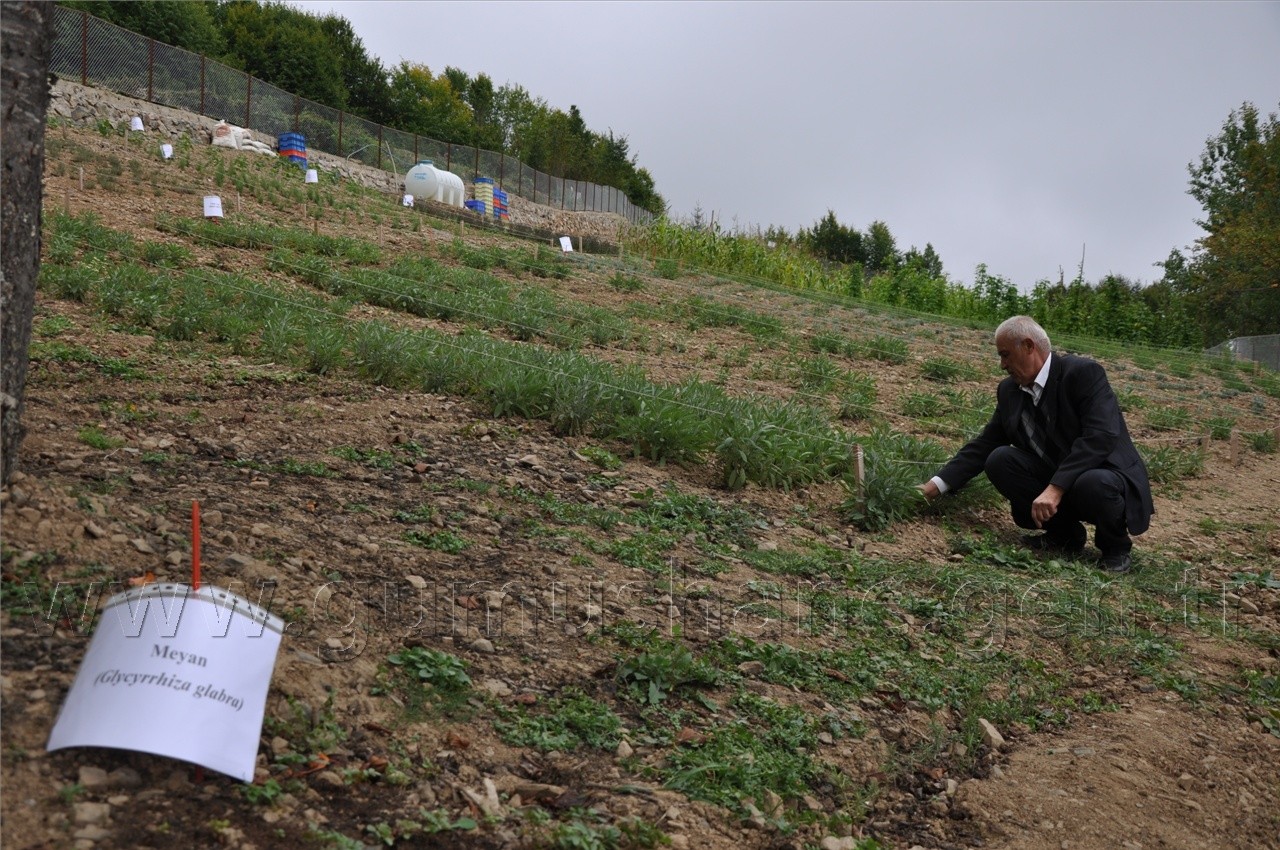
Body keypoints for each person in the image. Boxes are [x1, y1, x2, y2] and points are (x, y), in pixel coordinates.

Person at [919, 316, 1153, 573]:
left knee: (1094, 482)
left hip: (1105, 475)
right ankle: (1065, 535)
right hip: (1060, 476)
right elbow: (986, 442)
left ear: (1029, 346)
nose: (1002, 365)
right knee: (999, 459)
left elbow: (1100, 436)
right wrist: (937, 485)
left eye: (1006, 355)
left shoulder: (1082, 373)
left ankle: (1115, 548)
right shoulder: (1010, 391)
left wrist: (1055, 487)